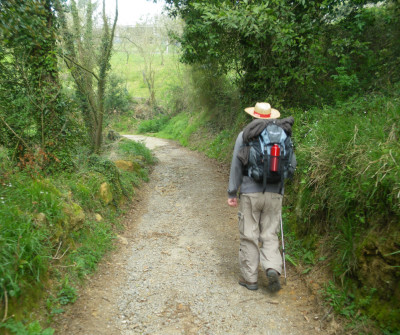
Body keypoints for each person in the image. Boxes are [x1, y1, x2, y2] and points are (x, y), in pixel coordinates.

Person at [227, 102, 296, 292]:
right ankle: (272, 268)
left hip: (250, 192)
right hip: (275, 193)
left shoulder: (247, 134)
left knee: (249, 235)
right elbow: (291, 164)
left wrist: (232, 192)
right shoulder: (283, 135)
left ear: (254, 115)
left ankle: (250, 279)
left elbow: (236, 164)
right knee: (270, 234)